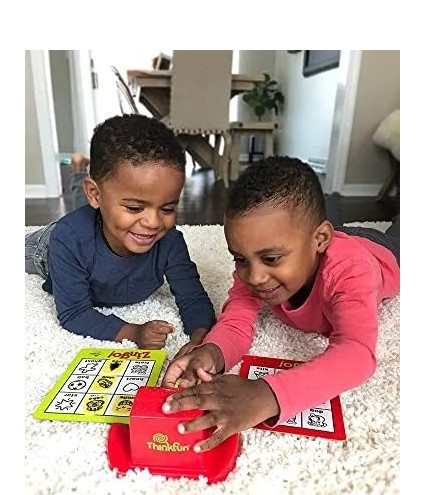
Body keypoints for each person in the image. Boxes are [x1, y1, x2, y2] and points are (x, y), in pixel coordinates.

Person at [161, 156, 400, 452]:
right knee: (318, 226)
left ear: (320, 240)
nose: (255, 276)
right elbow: (236, 321)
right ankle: (333, 204)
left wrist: (267, 395)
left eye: (271, 258)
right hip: (323, 238)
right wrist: (212, 351)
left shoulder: (351, 271)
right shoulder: (253, 268)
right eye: (239, 258)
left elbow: (357, 354)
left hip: (380, 251)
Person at [25, 114, 216, 357]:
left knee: (86, 207)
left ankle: (78, 171)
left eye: (167, 209)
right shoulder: (68, 239)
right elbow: (73, 313)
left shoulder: (169, 241)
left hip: (97, 220)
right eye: (135, 208)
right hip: (46, 247)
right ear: (96, 194)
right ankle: (78, 171)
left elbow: (193, 299)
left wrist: (200, 340)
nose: (153, 222)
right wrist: (133, 332)